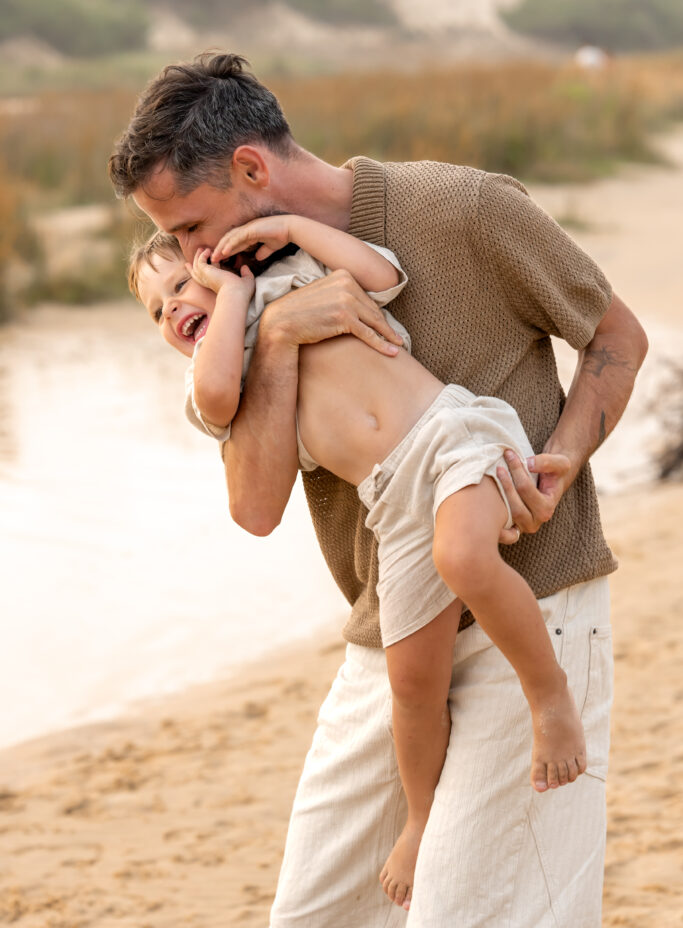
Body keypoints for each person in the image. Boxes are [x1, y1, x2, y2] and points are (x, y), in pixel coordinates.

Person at [109, 52, 648, 927]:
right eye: (170, 242)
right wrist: (276, 332)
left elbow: (616, 339)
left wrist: (558, 458)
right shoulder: (250, 304)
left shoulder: (462, 209)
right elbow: (253, 506)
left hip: (531, 601)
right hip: (391, 624)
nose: (188, 257)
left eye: (190, 226)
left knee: (474, 914)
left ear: (252, 168)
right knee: (314, 913)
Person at [128, 218, 587, 910]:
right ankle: (421, 818)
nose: (172, 310)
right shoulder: (224, 377)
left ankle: (549, 696)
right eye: (157, 309)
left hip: (448, 435)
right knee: (410, 687)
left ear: (222, 258)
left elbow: (381, 274)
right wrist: (222, 302)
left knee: (464, 555)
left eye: (179, 283)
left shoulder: (295, 275)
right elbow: (218, 396)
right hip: (390, 505)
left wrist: (285, 229)